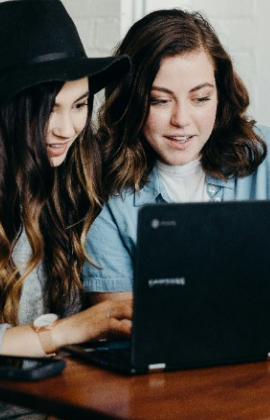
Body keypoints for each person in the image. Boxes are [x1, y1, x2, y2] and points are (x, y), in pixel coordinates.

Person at [82, 8, 270, 303]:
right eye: (160, 100)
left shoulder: (265, 155)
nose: (181, 119)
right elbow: (118, 321)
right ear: (132, 101)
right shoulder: (104, 190)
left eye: (200, 98)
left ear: (220, 96)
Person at [0, 0, 132, 418]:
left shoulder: (77, 179)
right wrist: (75, 327)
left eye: (79, 105)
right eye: (48, 109)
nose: (67, 128)